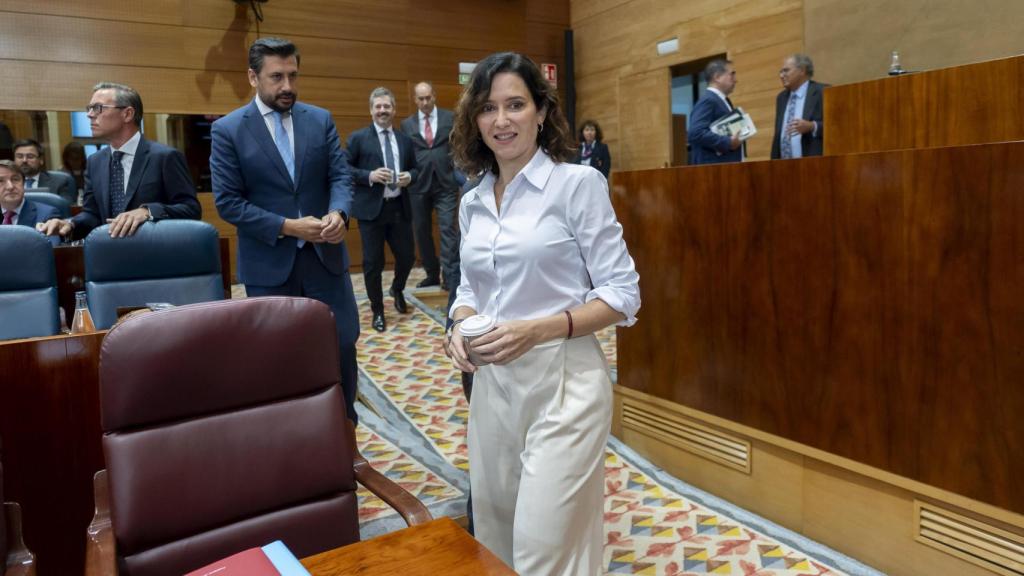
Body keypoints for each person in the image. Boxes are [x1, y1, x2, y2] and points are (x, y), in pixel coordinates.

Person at [446, 52, 640, 575]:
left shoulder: (577, 185)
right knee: (496, 536)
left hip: (565, 383)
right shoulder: (473, 201)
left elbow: (623, 293)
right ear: (475, 120)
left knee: (544, 548)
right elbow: (469, 289)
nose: (501, 120)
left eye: (515, 105)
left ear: (540, 111)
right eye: (488, 108)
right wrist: (459, 325)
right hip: (493, 386)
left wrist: (540, 329)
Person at [210, 37, 361, 424]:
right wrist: (288, 227)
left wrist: (340, 214)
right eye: (276, 77)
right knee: (280, 358)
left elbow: (340, 177)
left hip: (326, 262)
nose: (288, 86)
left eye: (293, 75)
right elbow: (228, 202)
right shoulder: (228, 130)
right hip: (270, 267)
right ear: (252, 77)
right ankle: (290, 441)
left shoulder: (320, 119)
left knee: (342, 346)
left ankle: (345, 436)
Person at [40, 82, 201, 240]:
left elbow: (191, 209)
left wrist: (147, 211)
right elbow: (93, 214)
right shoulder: (95, 161)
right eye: (89, 108)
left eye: (98, 108)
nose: (89, 114)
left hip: (155, 254)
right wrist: (70, 224)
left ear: (127, 114)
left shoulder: (165, 157)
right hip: (111, 256)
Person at [347, 87, 418, 333]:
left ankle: (397, 289)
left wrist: (410, 176)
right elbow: (344, 169)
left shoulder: (405, 141)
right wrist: (369, 175)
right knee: (372, 263)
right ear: (371, 110)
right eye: (378, 107)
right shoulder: (358, 138)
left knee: (407, 256)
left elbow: (416, 169)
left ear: (394, 110)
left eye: (386, 106)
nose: (382, 111)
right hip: (371, 212)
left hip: (399, 208)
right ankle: (378, 310)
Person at [400, 81, 461, 291]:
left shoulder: (449, 118)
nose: (425, 102)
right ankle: (432, 274)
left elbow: (458, 145)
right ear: (415, 100)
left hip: (446, 183)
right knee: (422, 231)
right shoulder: (406, 124)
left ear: (434, 96)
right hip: (418, 185)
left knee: (447, 230)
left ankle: (451, 277)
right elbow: (406, 154)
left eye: (428, 97)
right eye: (421, 98)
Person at [771, 53, 828, 159]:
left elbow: (837, 126)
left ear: (802, 70)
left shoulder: (823, 92)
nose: (781, 75)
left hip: (813, 164)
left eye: (786, 70)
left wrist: (812, 126)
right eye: (781, 72)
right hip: (783, 166)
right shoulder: (781, 98)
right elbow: (778, 135)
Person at [687, 59, 743, 165]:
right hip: (714, 170)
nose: (735, 80)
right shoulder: (708, 100)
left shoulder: (723, 100)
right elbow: (695, 133)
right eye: (732, 74)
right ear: (717, 77)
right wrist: (728, 142)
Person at [0, 159, 60, 245]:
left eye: (15, 179)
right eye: (0, 181)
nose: (10, 187)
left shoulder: (47, 215)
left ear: (23, 183)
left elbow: (50, 251)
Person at [13, 139, 77, 204]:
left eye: (30, 156)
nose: (24, 160)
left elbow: (65, 207)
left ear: (41, 160)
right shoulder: (5, 183)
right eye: (19, 156)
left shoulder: (59, 182)